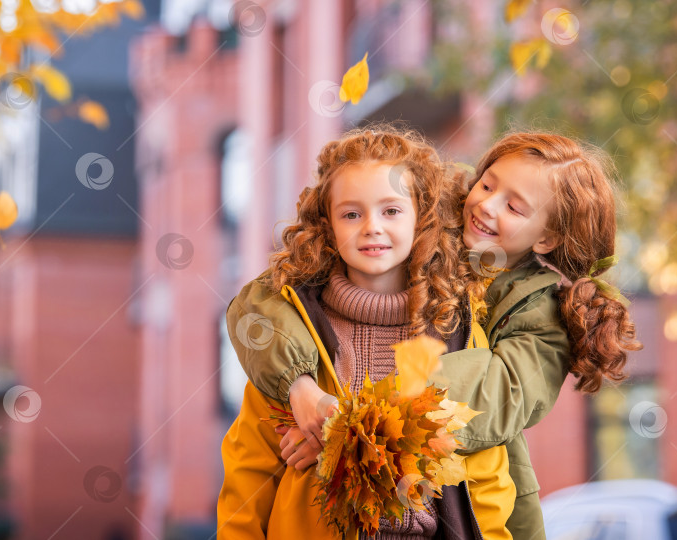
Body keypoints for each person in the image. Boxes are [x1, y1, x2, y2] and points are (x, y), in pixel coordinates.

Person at [227, 131, 642, 540]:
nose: (485, 205)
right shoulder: (425, 250)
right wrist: (301, 389)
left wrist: (345, 431)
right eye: (486, 183)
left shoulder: (532, 315)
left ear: (547, 237)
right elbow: (259, 304)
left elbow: (491, 394)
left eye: (514, 206)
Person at [218, 126, 517, 539]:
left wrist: (342, 441)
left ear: (422, 218)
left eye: (391, 211)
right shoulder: (294, 331)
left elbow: (487, 474)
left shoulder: (456, 329)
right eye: (352, 214)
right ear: (328, 225)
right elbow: (249, 469)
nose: (372, 227)